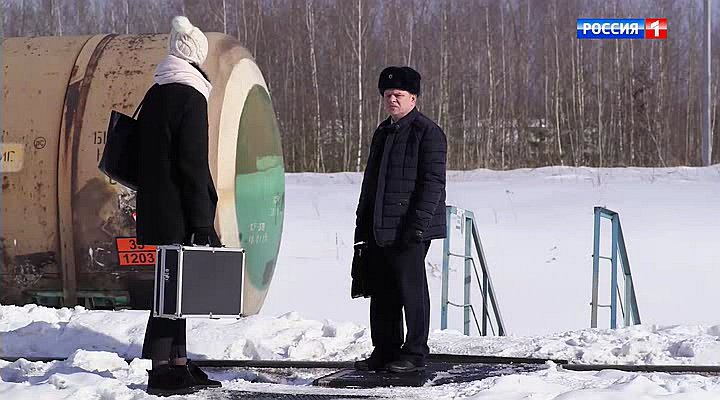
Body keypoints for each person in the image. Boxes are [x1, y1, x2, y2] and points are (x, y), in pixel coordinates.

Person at [135, 16, 221, 396]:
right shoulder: (190, 96)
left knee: (174, 291)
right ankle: (162, 371)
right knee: (170, 294)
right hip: (180, 212)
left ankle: (178, 364)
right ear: (196, 56)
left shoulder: (157, 92)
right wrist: (202, 222)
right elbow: (192, 165)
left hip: (156, 208)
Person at [353, 66, 448, 373]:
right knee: (382, 291)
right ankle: (385, 349)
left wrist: (417, 226)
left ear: (413, 98)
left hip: (410, 228)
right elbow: (372, 183)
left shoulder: (428, 132)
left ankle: (415, 352)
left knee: (412, 291)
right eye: (387, 95)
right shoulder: (383, 132)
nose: (392, 100)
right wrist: (363, 222)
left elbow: (433, 183)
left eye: (398, 95)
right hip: (380, 226)